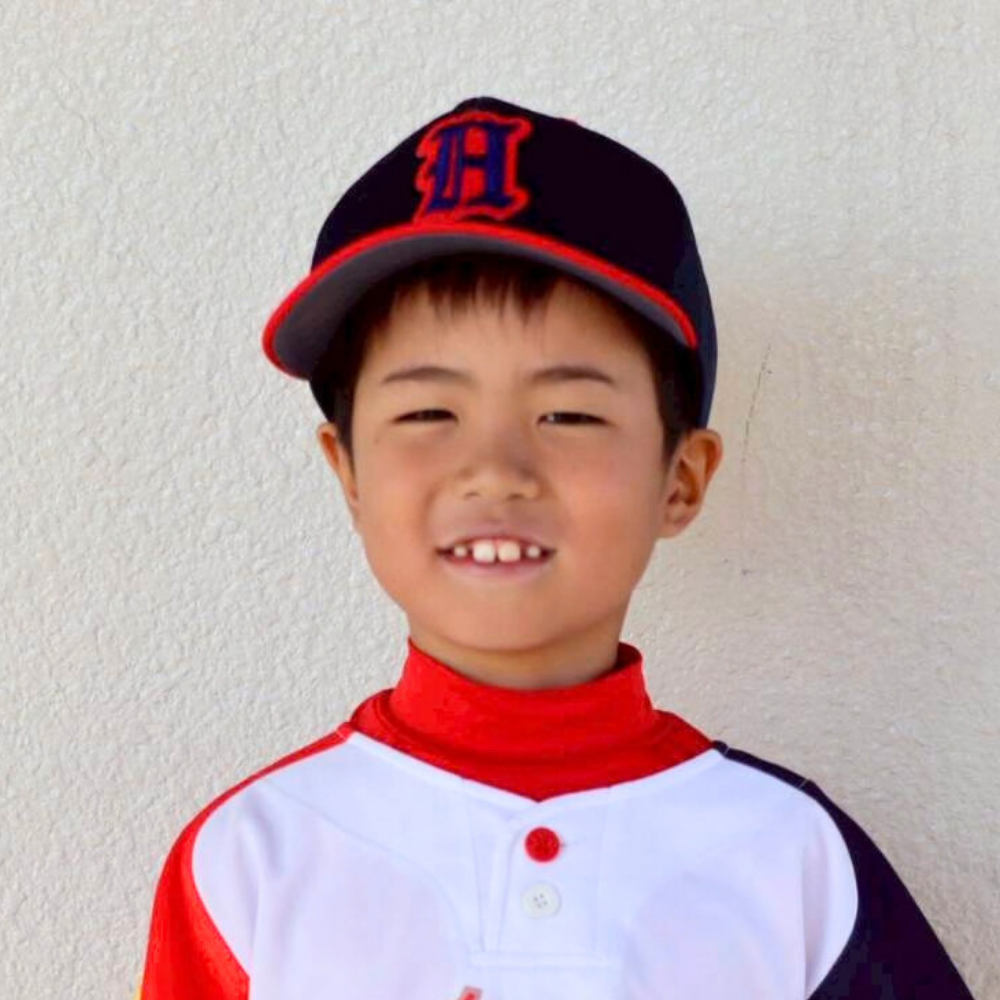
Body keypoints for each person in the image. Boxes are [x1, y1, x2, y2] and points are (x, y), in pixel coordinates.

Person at [135, 96, 976, 999]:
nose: (495, 471)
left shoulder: (793, 860)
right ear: (348, 473)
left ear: (681, 479)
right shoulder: (251, 861)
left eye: (569, 414)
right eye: (428, 412)